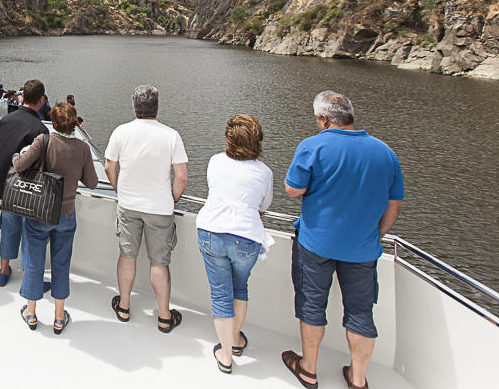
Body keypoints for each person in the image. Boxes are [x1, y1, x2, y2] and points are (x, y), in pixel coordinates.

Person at [282, 91, 403, 389]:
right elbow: (393, 206)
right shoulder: (385, 152)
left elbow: (292, 190)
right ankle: (358, 378)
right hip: (363, 249)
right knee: (361, 312)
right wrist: (376, 236)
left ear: (323, 120)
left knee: (312, 304)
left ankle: (308, 369)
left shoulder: (313, 146)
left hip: (316, 245)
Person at [104, 84, 189, 333]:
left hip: (129, 204)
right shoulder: (171, 135)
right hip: (160, 208)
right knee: (159, 263)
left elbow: (110, 166)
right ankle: (164, 316)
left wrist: (120, 189)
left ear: (135, 106)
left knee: (127, 255)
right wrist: (171, 199)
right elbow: (182, 177)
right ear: (157, 106)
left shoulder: (121, 132)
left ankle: (124, 306)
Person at [195, 115, 273, 374]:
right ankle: (236, 340)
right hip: (246, 237)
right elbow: (264, 205)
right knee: (240, 288)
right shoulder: (264, 172)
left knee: (220, 294)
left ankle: (225, 354)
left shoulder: (215, 161)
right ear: (257, 141)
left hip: (211, 231)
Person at [12, 103, 98, 333]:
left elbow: (20, 165)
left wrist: (16, 155)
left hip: (40, 211)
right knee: (61, 264)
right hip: (67, 214)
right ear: (74, 123)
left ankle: (31, 313)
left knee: (33, 262)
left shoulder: (43, 141)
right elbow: (92, 182)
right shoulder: (82, 148)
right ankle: (59, 317)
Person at [0, 79, 49, 287]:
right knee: (29, 234)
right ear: (41, 100)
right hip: (27, 190)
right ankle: (28, 276)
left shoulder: (5, 120)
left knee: (7, 229)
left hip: (5, 187)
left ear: (22, 97)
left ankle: (3, 270)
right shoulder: (40, 129)